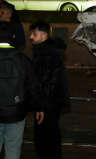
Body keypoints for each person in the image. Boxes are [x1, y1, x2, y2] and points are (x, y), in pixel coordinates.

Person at [0, 21, 44, 159]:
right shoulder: (22, 59)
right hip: (16, 113)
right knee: (13, 151)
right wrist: (39, 108)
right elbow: (33, 86)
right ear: (13, 36)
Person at [29, 21, 70, 159]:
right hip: (50, 103)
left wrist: (40, 105)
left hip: (49, 103)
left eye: (34, 34)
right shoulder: (44, 50)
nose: (31, 37)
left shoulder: (48, 53)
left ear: (44, 36)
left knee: (46, 138)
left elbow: (45, 81)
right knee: (48, 136)